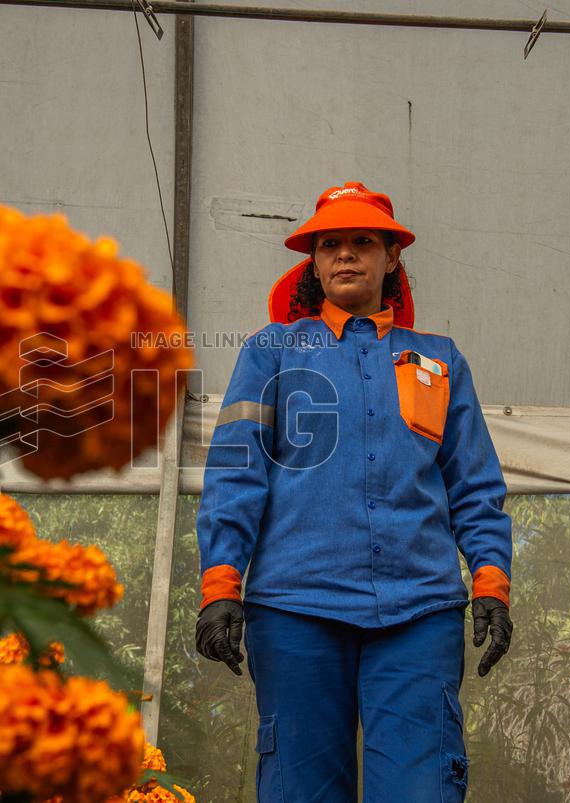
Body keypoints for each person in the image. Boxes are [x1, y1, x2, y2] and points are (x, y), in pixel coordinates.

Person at [194, 182, 514, 802]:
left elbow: (475, 486)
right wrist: (219, 587)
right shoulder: (271, 353)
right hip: (295, 610)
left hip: (419, 612)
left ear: (391, 257)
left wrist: (491, 585)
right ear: (312, 261)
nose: (346, 255)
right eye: (330, 243)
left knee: (422, 788)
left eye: (363, 242)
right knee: (300, 790)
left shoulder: (440, 361)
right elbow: (236, 476)